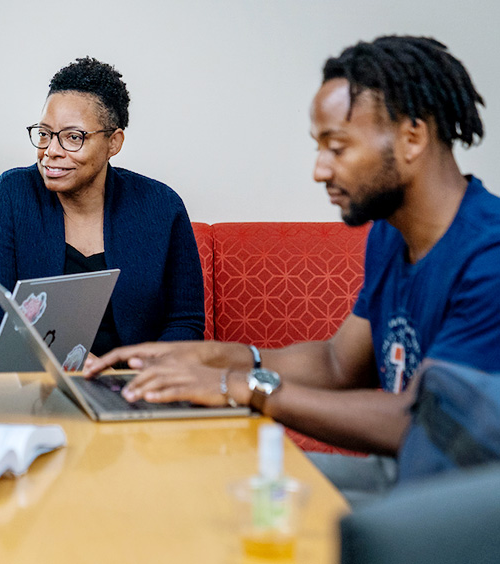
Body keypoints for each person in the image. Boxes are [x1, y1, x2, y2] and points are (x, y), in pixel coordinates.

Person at [85, 35, 500, 506]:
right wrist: (212, 359)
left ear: (412, 138)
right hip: (407, 473)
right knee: (200, 480)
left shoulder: (489, 255)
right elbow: (338, 364)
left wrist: (239, 388)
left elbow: (420, 422)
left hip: (469, 504)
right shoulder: (392, 235)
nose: (320, 170)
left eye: (337, 147)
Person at [0, 57, 205, 358]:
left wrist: (136, 377)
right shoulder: (13, 193)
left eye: (73, 137)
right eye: (44, 134)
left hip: (138, 387)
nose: (51, 152)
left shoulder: (161, 207)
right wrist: (74, 359)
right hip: (45, 383)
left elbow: (185, 321)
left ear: (114, 142)